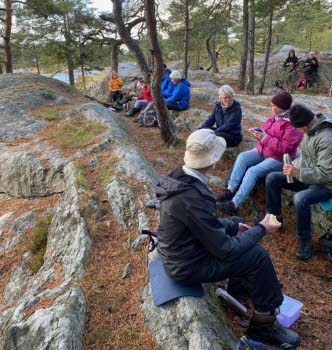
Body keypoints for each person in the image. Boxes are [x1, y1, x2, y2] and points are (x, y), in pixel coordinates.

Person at [156, 129, 301, 347]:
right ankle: (263, 329)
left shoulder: (182, 178)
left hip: (183, 253)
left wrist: (231, 225)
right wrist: (262, 228)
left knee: (235, 222)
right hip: (186, 266)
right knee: (258, 256)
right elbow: (226, 249)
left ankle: (238, 290)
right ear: (212, 159)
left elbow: (200, 226)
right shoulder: (191, 196)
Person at [216, 92, 303, 215]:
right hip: (263, 149)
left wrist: (265, 137)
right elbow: (264, 129)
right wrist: (258, 132)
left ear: (281, 107)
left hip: (278, 158)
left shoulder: (293, 124)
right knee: (242, 157)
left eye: (272, 105)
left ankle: (235, 203)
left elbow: (286, 148)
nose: (270, 107)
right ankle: (230, 189)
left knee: (253, 171)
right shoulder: (274, 116)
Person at [265, 105, 332, 260]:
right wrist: (294, 164)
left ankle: (304, 240)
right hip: (309, 176)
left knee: (301, 198)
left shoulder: (327, 139)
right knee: (273, 178)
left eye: (299, 128)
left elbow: (327, 174)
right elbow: (307, 156)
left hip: (326, 185)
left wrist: (298, 173)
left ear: (305, 125)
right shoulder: (312, 130)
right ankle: (274, 219)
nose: (299, 131)